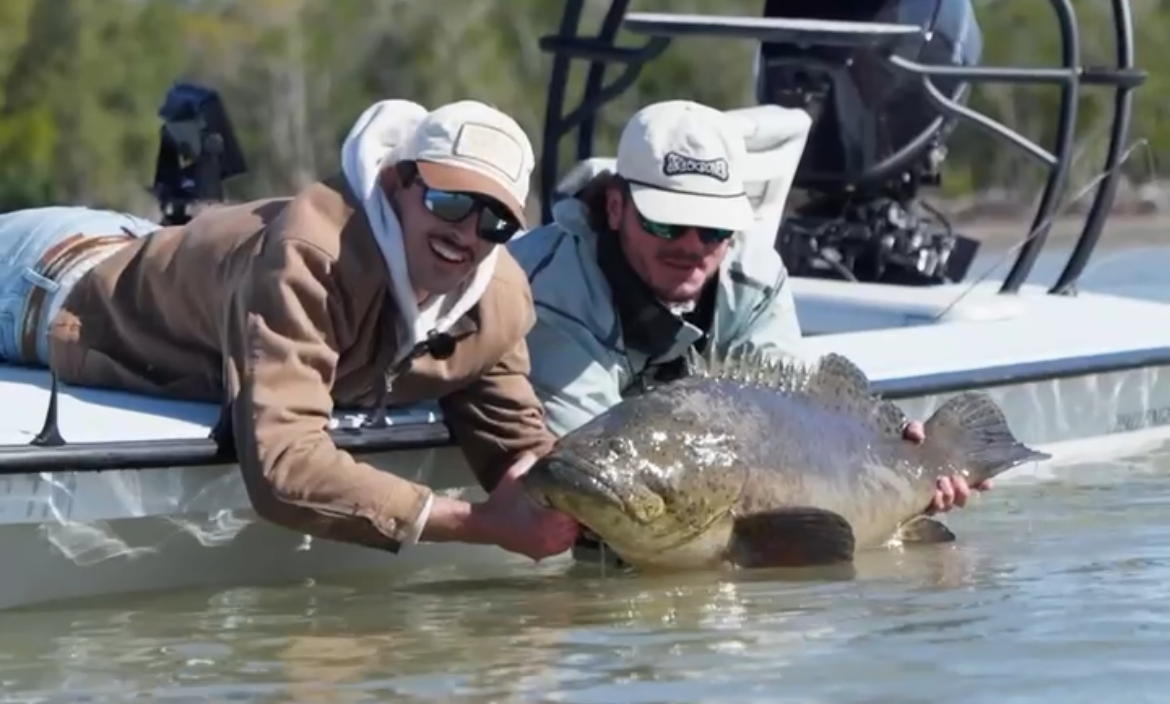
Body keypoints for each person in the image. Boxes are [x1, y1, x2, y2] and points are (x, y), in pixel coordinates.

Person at [0, 98, 579, 561]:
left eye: (496, 220)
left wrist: (564, 509)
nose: (467, 232)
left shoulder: (497, 299)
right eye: (450, 200)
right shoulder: (311, 257)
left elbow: (517, 445)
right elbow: (284, 466)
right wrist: (480, 525)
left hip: (141, 244)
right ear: (398, 182)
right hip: (44, 280)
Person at [509, 99, 989, 517]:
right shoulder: (544, 289)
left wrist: (901, 459)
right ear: (615, 208)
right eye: (668, 223)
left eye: (715, 229)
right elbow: (594, 477)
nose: (693, 246)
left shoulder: (754, 273)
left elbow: (791, 423)